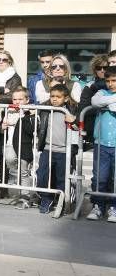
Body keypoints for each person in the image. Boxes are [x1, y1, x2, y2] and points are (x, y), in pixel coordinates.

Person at [34, 83, 77, 214]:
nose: (54, 99)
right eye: (52, 96)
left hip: (64, 152)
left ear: (65, 98)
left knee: (61, 179)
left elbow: (79, 129)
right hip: (47, 149)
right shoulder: (46, 110)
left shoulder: (71, 110)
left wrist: (73, 121)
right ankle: (46, 199)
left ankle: (62, 201)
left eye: (58, 97)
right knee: (42, 176)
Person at [86, 69, 116, 222]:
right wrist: (113, 100)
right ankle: (98, 206)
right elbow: (95, 102)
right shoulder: (101, 92)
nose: (111, 84)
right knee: (100, 178)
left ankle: (113, 207)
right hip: (101, 143)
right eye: (108, 81)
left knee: (114, 179)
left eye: (114, 81)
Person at [1, 86, 37, 209]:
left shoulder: (31, 111)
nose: (17, 102)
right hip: (11, 143)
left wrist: (25, 114)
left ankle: (25, 196)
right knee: (10, 161)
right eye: (14, 99)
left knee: (23, 172)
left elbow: (32, 128)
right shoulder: (9, 110)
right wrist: (3, 126)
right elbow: (3, 125)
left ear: (27, 100)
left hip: (24, 145)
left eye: (20, 99)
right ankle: (17, 178)